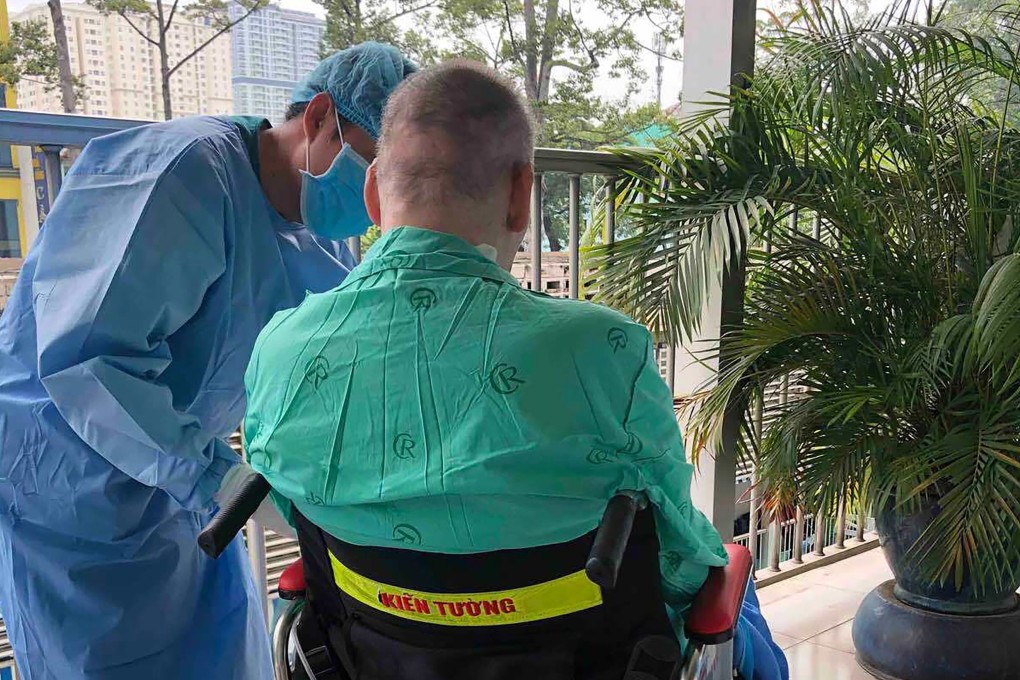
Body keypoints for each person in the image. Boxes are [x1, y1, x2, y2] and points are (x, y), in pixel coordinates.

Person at [243, 61, 787, 680]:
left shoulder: (283, 348)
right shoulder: (602, 350)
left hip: (377, 656)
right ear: (522, 194)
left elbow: (306, 523)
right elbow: (679, 558)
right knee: (734, 588)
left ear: (372, 193)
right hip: (588, 662)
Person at [0, 42, 416, 680]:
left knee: (219, 652)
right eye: (371, 163)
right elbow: (88, 364)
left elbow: (337, 363)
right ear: (319, 117)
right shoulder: (182, 173)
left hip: (185, 488)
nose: (371, 194)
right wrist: (223, 484)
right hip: (69, 481)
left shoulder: (321, 243)